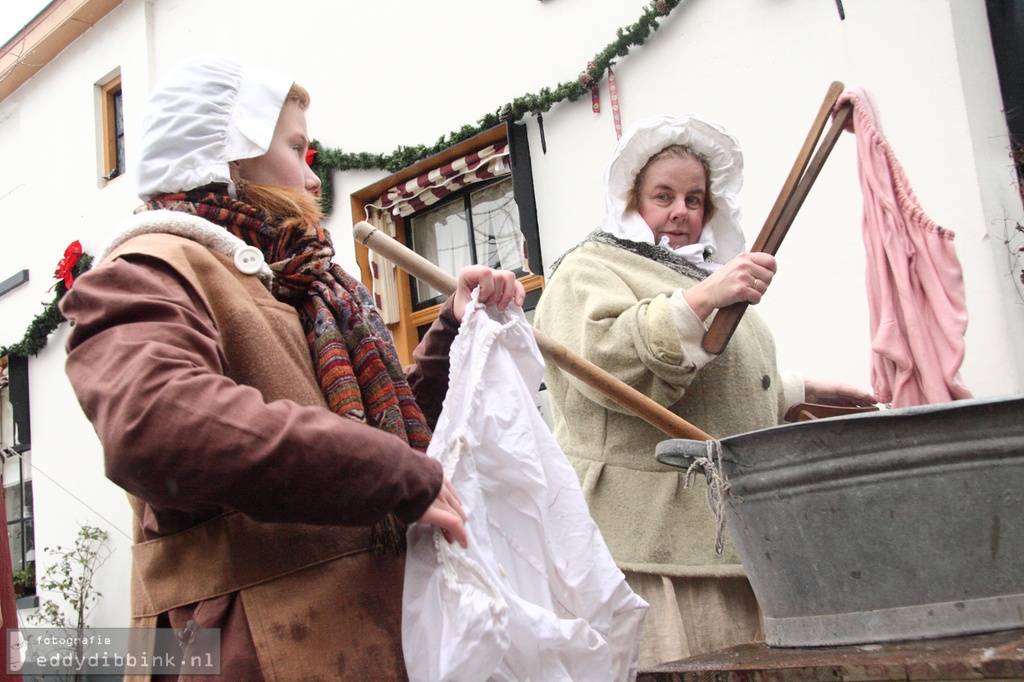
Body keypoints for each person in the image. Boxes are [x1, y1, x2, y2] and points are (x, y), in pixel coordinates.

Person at [60, 55, 524, 681]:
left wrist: (450, 333)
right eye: (297, 148)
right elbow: (154, 422)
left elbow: (388, 436)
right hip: (238, 650)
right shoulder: (145, 269)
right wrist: (388, 473)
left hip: (362, 631)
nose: (313, 177)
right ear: (230, 156)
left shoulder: (304, 282)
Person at [532, 114, 874, 667]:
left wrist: (795, 390)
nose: (680, 212)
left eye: (694, 199)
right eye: (662, 195)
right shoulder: (587, 267)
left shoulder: (697, 274)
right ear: (630, 200)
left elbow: (712, 384)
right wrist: (705, 298)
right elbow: (607, 366)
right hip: (644, 548)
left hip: (725, 536)